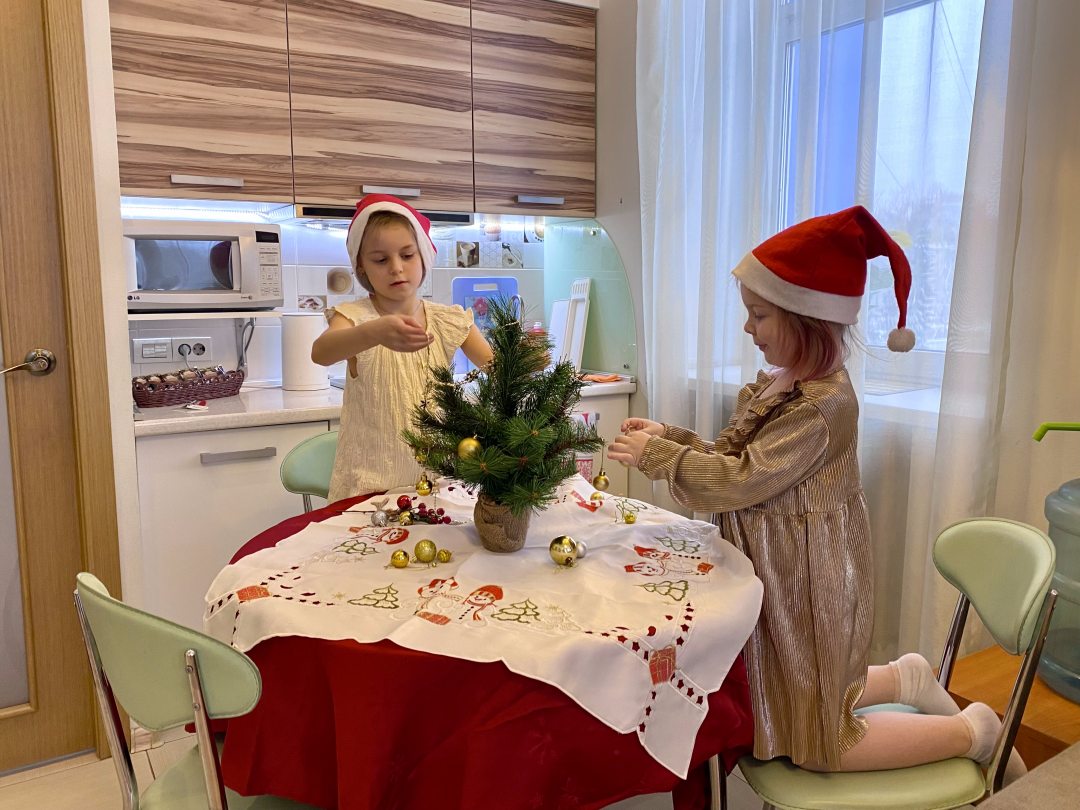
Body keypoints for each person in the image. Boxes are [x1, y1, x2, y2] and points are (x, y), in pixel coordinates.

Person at [608, 206, 1023, 777]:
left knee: (823, 743)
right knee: (790, 691)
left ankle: (973, 732)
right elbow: (733, 458)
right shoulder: (783, 385)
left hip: (807, 576)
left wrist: (658, 457)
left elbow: (741, 480)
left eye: (759, 316)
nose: (748, 328)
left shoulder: (824, 407)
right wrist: (669, 437)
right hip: (780, 566)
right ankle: (905, 678)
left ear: (805, 322)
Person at [312, 194, 493, 502]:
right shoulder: (354, 317)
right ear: (362, 267)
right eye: (380, 260)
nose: (396, 268)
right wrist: (375, 332)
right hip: (369, 490)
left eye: (407, 255)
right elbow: (321, 352)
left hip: (438, 487)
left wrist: (529, 357)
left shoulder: (447, 320)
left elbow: (498, 366)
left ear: (424, 257)